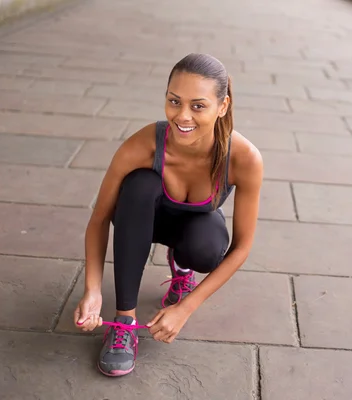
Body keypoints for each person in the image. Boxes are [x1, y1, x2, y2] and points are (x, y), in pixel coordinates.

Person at [73, 53, 263, 377]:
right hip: (142, 220)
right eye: (174, 101)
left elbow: (242, 247)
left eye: (198, 105)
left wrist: (185, 308)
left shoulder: (244, 158)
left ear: (223, 106)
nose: (182, 115)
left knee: (207, 247)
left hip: (193, 227)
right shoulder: (143, 144)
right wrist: (92, 289)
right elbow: (99, 219)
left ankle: (183, 267)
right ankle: (124, 322)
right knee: (139, 185)